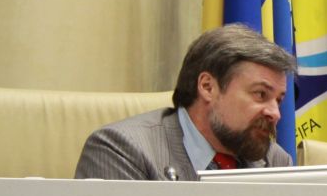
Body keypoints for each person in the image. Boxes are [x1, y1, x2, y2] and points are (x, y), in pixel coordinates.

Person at [75, 24, 294, 179]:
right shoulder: (124, 151)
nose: (275, 113)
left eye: (279, 100)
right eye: (260, 95)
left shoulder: (275, 162)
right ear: (207, 87)